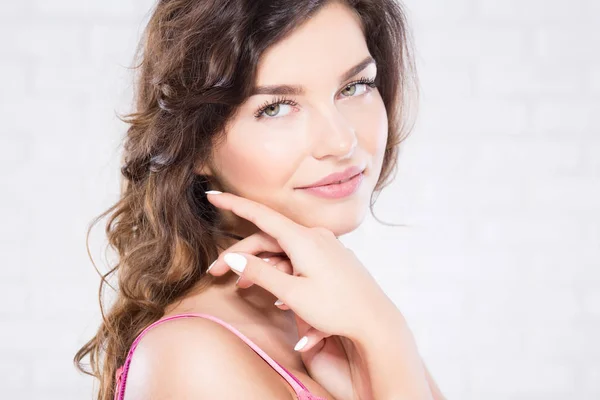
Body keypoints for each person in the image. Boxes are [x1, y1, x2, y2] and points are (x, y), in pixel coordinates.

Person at [74, 0, 446, 399]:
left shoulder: (343, 309)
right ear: (195, 144)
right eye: (276, 108)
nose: (342, 141)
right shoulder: (192, 357)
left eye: (355, 86)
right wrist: (386, 337)